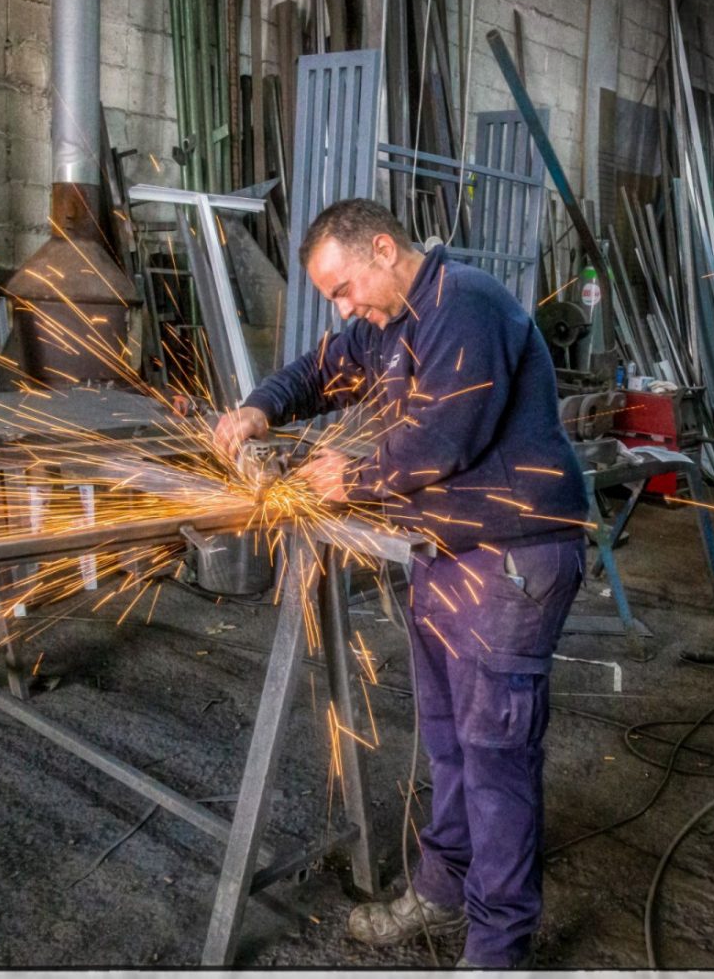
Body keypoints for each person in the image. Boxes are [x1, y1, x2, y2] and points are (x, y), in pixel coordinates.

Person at [214, 198, 588, 969]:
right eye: (333, 299)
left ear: (384, 250)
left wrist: (351, 473)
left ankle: (495, 949)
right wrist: (260, 408)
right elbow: (320, 369)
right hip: (446, 554)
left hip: (511, 561)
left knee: (495, 764)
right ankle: (442, 896)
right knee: (450, 749)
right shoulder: (386, 326)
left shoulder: (465, 306)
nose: (344, 307)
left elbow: (442, 441)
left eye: (345, 287)